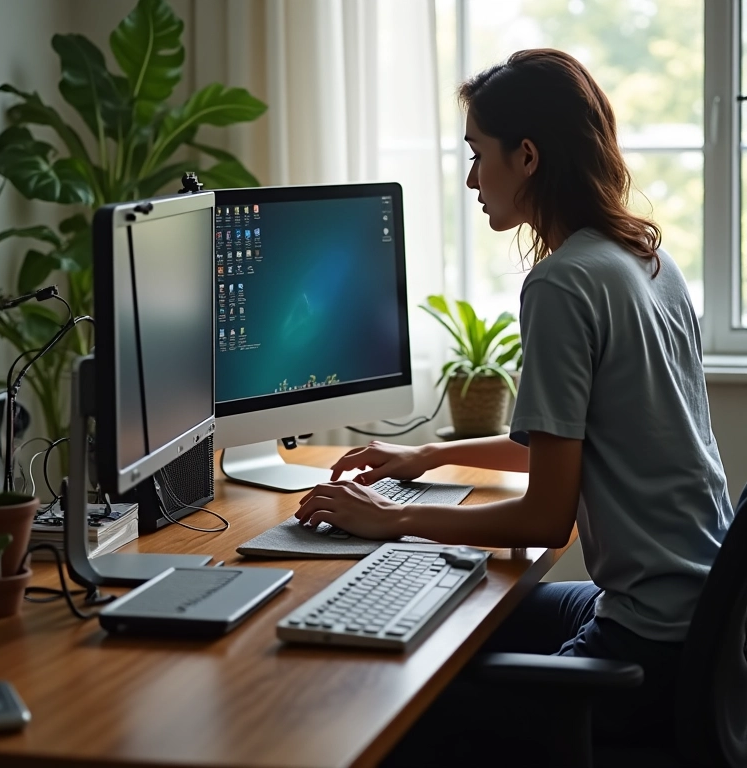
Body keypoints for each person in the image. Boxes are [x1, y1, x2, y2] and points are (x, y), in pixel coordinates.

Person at [295, 48, 734, 761]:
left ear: (526, 156)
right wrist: (428, 455)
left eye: (478, 154)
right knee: (472, 617)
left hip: (647, 651)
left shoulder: (563, 284)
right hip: (698, 616)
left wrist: (392, 521)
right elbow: (569, 440)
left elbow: (546, 517)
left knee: (385, 710)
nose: (471, 178)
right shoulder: (644, 257)